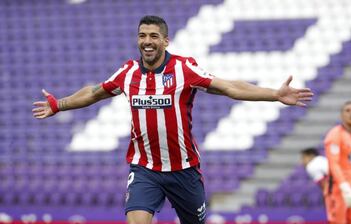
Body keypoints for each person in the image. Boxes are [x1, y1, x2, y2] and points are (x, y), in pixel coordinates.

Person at [32, 15, 314, 224]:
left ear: (165, 41)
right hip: (145, 169)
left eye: (154, 36)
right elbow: (94, 93)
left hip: (184, 170)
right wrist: (60, 104)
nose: (147, 41)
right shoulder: (127, 73)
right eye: (142, 35)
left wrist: (274, 95)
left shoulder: (183, 69)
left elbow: (230, 87)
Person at [323, 101, 351, 224]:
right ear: (341, 115)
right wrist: (344, 186)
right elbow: (333, 163)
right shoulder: (334, 135)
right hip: (338, 189)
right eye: (347, 111)